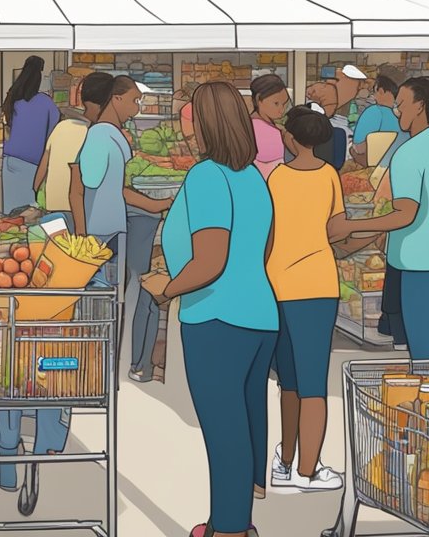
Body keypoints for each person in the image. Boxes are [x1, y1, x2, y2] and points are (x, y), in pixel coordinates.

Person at [143, 81, 275, 537]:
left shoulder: (207, 176)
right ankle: (234, 520)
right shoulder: (253, 176)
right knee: (243, 419)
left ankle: (230, 529)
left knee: (224, 432)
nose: (188, 125)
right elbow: (264, 248)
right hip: (259, 313)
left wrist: (167, 287)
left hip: (217, 317)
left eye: (192, 116)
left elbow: (211, 259)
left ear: (206, 124)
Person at [338, 64, 429, 361]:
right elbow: (419, 216)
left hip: (427, 270)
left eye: (401, 105)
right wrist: (355, 243)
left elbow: (405, 215)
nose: (397, 112)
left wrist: (349, 226)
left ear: (421, 106)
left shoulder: (410, 153)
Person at [265, 106, 363, 493]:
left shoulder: (275, 178)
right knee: (313, 383)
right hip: (317, 286)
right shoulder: (329, 177)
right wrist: (366, 231)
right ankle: (309, 470)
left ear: (289, 138)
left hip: (278, 284)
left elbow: (268, 232)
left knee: (287, 381)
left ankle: (285, 462)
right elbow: (336, 228)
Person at [75, 75, 172, 380]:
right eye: (133, 100)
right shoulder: (103, 137)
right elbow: (94, 184)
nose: (137, 107)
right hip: (105, 230)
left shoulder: (106, 135)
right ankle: (107, 368)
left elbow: (104, 185)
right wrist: (155, 204)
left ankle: (106, 367)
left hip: (107, 228)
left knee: (109, 299)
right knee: (106, 300)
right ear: (115, 99)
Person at [34, 72, 109, 226]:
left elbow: (42, 170)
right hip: (82, 214)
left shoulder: (61, 127)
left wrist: (37, 197)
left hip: (53, 210)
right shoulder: (97, 135)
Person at [0, 56, 59, 212]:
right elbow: (52, 137)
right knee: (29, 215)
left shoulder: (13, 99)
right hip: (32, 165)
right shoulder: (47, 103)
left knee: (10, 215)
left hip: (9, 162)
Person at [351, 75, 401, 166]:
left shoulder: (374, 111)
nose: (373, 96)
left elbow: (358, 148)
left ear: (381, 91)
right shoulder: (402, 116)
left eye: (374, 92)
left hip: (372, 166)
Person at [249, 74, 290, 178]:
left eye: (284, 104)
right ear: (259, 100)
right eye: (276, 103)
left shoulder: (249, 124)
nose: (282, 110)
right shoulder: (259, 128)